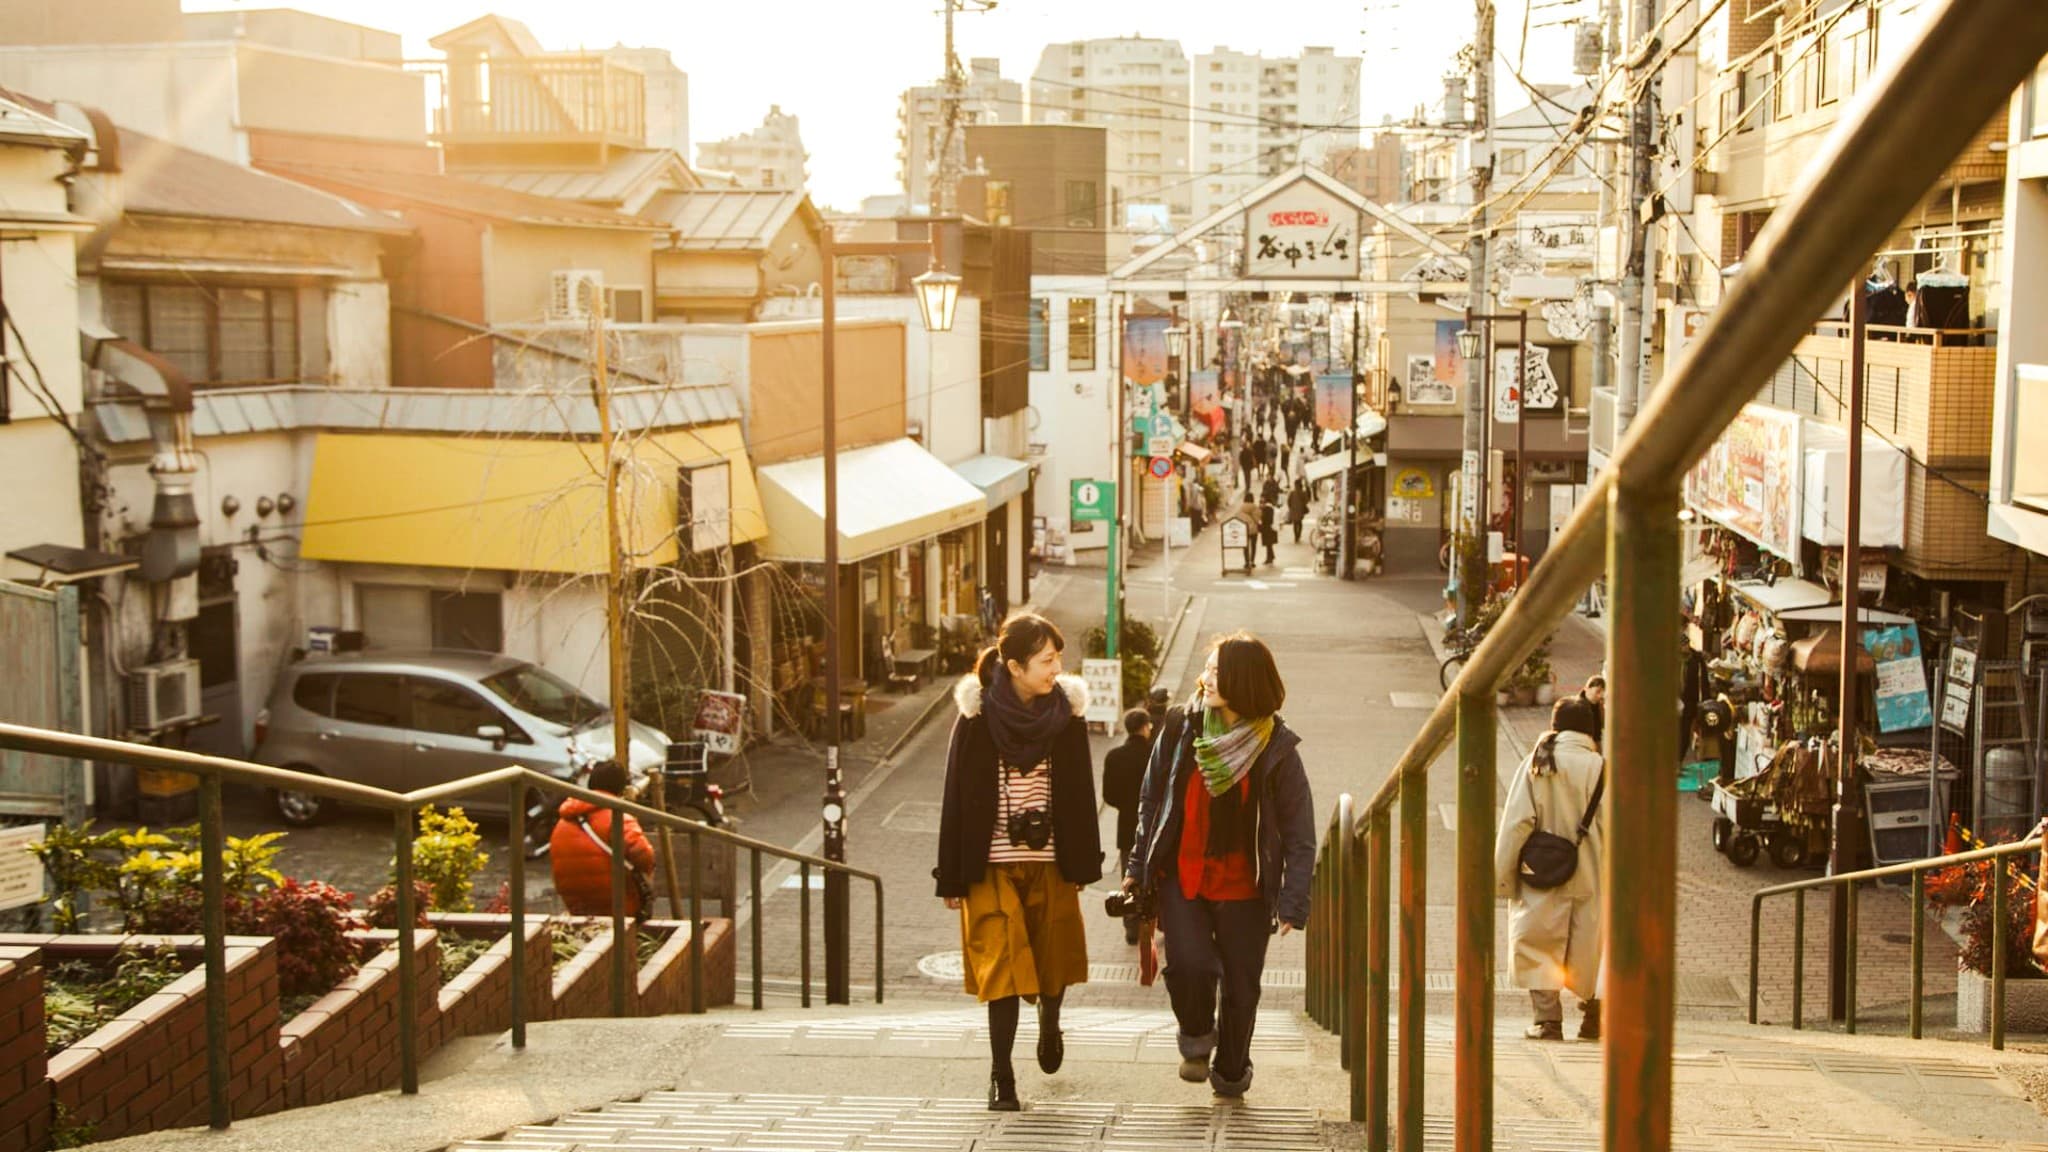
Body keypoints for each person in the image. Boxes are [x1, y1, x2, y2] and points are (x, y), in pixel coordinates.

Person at [1124, 633, 1314, 1097]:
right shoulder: (1180, 727)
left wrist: (1294, 899)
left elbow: (1299, 832)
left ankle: (1231, 1069)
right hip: (1183, 878)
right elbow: (1152, 800)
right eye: (1206, 669)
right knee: (1189, 965)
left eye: (1215, 670)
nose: (1204, 678)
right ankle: (1194, 1039)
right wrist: (1137, 864)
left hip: (1246, 888)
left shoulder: (1277, 749)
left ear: (1243, 681)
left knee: (1241, 988)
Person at [935, 612, 1101, 1111]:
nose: (1057, 669)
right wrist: (950, 875)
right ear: (1014, 666)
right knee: (1001, 971)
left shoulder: (1066, 718)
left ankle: (1050, 1018)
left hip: (1051, 861)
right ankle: (1001, 1077)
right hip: (989, 865)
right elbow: (955, 796)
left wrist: (1084, 865)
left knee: (1054, 960)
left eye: (1057, 659)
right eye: (1046, 660)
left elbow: (1079, 793)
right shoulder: (976, 720)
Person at [1494, 696, 1606, 1041]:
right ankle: (1594, 1016)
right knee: (1593, 942)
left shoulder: (1538, 763)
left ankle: (1547, 1020)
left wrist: (1502, 878)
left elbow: (1517, 822)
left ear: (1555, 726)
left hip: (1542, 870)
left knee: (1538, 940)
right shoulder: (1604, 768)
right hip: (1594, 871)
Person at [550, 760, 656, 918]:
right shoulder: (617, 817)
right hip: (614, 903)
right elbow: (644, 856)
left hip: (575, 901)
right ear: (621, 788)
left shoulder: (563, 821)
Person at [1103, 707, 1154, 944]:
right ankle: (1156, 920)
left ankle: (1131, 925)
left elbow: (1109, 795)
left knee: (1129, 874)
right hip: (1154, 824)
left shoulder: (1114, 757)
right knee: (1156, 873)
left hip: (1127, 825)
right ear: (1145, 727)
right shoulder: (1155, 755)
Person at [1581, 674, 1606, 745]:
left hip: (1596, 740)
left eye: (1602, 692)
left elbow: (1604, 724)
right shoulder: (1579, 706)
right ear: (1587, 689)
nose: (1600, 695)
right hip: (1585, 743)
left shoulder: (1598, 705)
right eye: (1597, 692)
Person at [1287, 480, 1311, 545]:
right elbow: (1306, 501)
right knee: (1300, 523)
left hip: (1294, 510)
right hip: (1300, 510)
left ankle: (1296, 536)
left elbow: (1288, 501)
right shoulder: (1303, 492)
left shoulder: (1292, 493)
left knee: (1295, 523)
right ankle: (1299, 535)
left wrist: (1291, 507)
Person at [1258, 498, 1278, 566]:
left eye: (1261, 502)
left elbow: (1265, 519)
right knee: (1269, 545)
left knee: (1268, 544)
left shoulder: (1267, 509)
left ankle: (1269, 558)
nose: (1260, 504)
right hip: (1270, 529)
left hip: (1268, 529)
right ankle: (1271, 557)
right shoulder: (1270, 508)